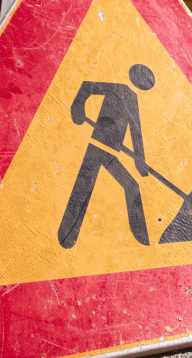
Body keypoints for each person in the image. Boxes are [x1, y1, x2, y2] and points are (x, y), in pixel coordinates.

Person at [58, 64, 156, 249]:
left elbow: (136, 133)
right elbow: (87, 87)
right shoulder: (117, 88)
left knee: (131, 186)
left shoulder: (132, 98)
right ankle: (66, 235)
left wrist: (139, 162)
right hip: (96, 147)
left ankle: (142, 239)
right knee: (83, 188)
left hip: (109, 153)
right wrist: (77, 109)